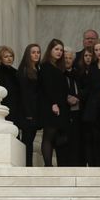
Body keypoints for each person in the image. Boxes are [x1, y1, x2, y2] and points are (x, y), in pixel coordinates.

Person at [38, 39, 70, 168]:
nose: (59, 52)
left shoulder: (58, 67)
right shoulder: (46, 66)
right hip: (51, 106)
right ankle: (48, 165)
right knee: (48, 136)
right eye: (56, 49)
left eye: (61, 50)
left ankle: (53, 164)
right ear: (50, 50)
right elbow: (47, 87)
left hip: (60, 106)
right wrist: (53, 103)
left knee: (57, 136)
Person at [16, 43, 42, 166]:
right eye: (33, 52)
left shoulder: (37, 69)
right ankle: (27, 166)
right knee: (27, 141)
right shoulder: (24, 71)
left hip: (35, 111)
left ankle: (28, 165)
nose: (36, 54)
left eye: (38, 52)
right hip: (27, 113)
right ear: (28, 54)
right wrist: (28, 114)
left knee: (30, 140)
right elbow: (24, 94)